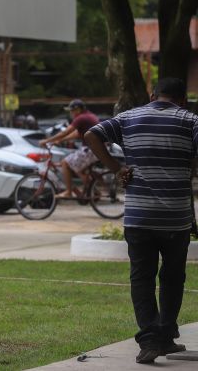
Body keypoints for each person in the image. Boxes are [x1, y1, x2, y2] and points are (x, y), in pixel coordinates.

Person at [84, 77, 196, 364]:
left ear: (152, 95)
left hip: (138, 217)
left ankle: (152, 341)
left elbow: (91, 135)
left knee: (141, 278)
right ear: (182, 99)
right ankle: (165, 336)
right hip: (175, 219)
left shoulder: (127, 118)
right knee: (172, 278)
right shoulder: (190, 120)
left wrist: (115, 168)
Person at [39, 99, 99, 198]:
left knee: (65, 163)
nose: (71, 113)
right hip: (96, 149)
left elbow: (65, 132)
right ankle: (94, 191)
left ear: (78, 110)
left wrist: (47, 141)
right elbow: (76, 133)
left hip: (91, 149)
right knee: (77, 168)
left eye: (71, 111)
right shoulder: (89, 116)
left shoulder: (81, 118)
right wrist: (59, 140)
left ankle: (68, 192)